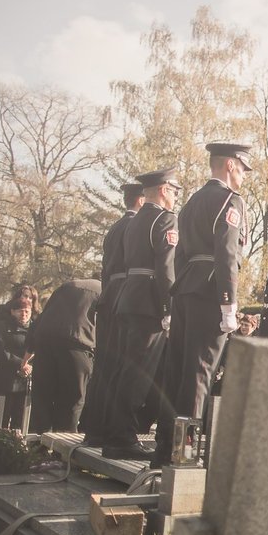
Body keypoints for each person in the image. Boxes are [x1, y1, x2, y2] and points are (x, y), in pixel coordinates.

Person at [156, 143, 251, 466]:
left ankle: (163, 449)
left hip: (185, 289)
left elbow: (179, 255)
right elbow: (226, 254)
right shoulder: (230, 201)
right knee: (200, 373)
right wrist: (229, 304)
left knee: (177, 371)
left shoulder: (192, 201)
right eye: (242, 168)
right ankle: (184, 454)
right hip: (211, 290)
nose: (243, 176)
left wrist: (175, 297)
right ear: (229, 165)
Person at [102, 169, 181, 460]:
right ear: (163, 190)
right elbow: (165, 269)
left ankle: (112, 433)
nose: (174, 196)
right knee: (139, 374)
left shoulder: (133, 222)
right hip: (149, 303)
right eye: (173, 190)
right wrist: (168, 307)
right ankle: (122, 438)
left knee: (125, 370)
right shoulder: (165, 219)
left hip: (128, 298)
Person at [78, 182, 145, 447]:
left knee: (106, 366)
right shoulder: (135, 226)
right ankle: (114, 430)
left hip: (110, 293)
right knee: (122, 364)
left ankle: (94, 427)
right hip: (126, 293)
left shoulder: (115, 227)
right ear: (141, 200)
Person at [24, 278, 101, 433]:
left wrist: (26, 357)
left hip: (45, 343)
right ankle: (63, 448)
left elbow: (40, 320)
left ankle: (37, 447)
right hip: (78, 346)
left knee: (42, 400)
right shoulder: (105, 291)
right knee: (72, 401)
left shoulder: (67, 286)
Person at [0, 285, 42, 427]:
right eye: (23, 295)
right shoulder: (2, 315)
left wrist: (28, 366)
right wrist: (19, 363)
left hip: (25, 372)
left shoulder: (36, 321)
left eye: (30, 297)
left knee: (19, 411)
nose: (26, 299)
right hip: (1, 364)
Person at [0, 296, 34, 430]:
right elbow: (1, 350)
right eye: (20, 311)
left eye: (27, 311)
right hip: (6, 375)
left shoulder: (35, 328)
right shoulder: (2, 326)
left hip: (26, 377)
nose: (23, 314)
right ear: (13, 311)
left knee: (20, 416)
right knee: (3, 414)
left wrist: (28, 366)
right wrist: (21, 363)